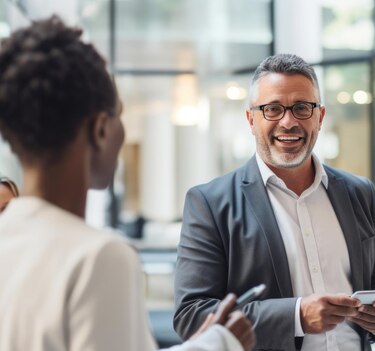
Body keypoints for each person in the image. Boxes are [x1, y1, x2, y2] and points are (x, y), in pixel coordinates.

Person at [0, 16, 254, 351]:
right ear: (100, 130)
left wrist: (209, 342)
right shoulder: (99, 258)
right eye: (121, 114)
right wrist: (222, 344)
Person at [174, 53, 375, 351]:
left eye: (302, 108)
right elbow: (192, 316)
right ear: (251, 119)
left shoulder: (360, 193)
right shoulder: (210, 203)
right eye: (273, 109)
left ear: (319, 117)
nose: (288, 122)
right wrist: (296, 316)